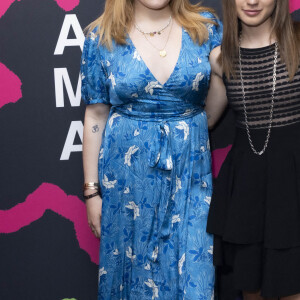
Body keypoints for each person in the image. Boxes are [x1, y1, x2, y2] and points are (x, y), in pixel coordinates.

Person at [80, 0, 222, 298]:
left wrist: (186, 129)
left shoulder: (205, 28)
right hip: (127, 181)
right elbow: (95, 116)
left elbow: (211, 110)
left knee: (194, 277)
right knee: (131, 278)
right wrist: (92, 191)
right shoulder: (102, 35)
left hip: (190, 177)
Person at [205, 0, 300, 299]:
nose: (253, 1)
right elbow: (204, 120)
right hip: (248, 189)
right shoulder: (221, 58)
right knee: (252, 291)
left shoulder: (299, 42)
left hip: (294, 185)